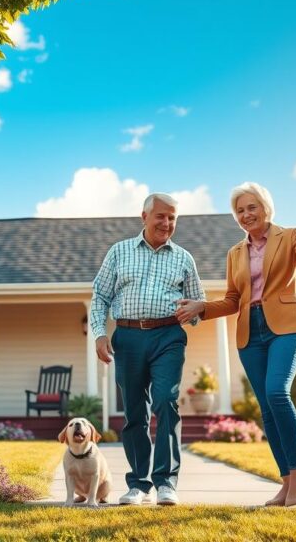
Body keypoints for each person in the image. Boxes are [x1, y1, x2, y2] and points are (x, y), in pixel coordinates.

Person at [175, 184, 296, 507]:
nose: (246, 215)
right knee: (267, 409)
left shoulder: (289, 236)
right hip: (251, 332)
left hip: (288, 326)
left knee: (277, 392)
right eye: (241, 210)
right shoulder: (235, 253)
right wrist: (202, 307)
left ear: (266, 208)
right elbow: (233, 300)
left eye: (252, 207)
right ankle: (286, 481)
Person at [90, 193, 205, 506]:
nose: (166, 223)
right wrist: (100, 334)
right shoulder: (119, 252)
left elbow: (198, 303)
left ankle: (166, 481)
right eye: (161, 216)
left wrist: (195, 309)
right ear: (145, 216)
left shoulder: (184, 258)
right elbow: (99, 296)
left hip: (168, 335)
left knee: (167, 401)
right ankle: (139, 484)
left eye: (172, 218)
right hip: (127, 337)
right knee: (134, 413)